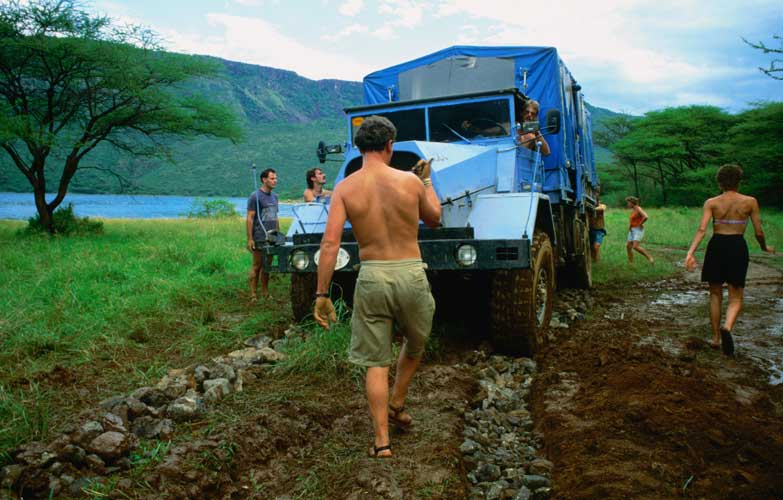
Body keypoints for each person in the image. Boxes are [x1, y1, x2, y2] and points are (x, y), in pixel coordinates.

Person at [313, 115, 441, 459]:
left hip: (372, 276)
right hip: (411, 273)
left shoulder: (345, 188)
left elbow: (329, 244)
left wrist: (322, 295)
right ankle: (398, 399)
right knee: (415, 345)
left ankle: (382, 442)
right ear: (390, 146)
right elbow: (434, 219)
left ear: (359, 147)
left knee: (375, 362)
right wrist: (426, 182)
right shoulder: (410, 182)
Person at [684, 164, 775, 355]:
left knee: (715, 294)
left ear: (720, 182)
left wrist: (690, 252)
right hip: (737, 246)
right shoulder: (750, 202)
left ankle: (716, 338)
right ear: (739, 181)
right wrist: (764, 247)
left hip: (716, 246)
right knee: (736, 295)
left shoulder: (711, 202)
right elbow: (759, 231)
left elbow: (702, 229)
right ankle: (727, 327)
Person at [246, 168, 279, 302]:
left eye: (275, 178)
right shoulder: (255, 196)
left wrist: (278, 234)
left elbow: (275, 217)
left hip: (272, 237)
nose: (275, 180)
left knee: (267, 266)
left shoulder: (275, 196)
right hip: (260, 236)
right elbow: (249, 218)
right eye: (272, 178)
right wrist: (250, 239)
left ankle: (265, 292)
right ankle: (253, 294)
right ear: (264, 180)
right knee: (257, 266)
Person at [625, 196, 654, 264]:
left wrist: (640, 224)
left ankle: (650, 258)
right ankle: (631, 263)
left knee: (635, 247)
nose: (628, 204)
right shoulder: (634, 210)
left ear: (632, 203)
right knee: (628, 246)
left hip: (638, 230)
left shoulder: (638, 208)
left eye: (628, 203)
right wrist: (630, 228)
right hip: (632, 230)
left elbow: (645, 216)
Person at [589, 194, 607, 262]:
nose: (597, 202)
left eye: (598, 201)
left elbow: (602, 208)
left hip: (599, 231)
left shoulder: (601, 206)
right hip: (591, 230)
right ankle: (596, 261)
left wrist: (592, 209)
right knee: (592, 249)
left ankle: (597, 262)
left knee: (596, 246)